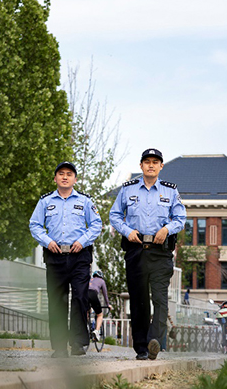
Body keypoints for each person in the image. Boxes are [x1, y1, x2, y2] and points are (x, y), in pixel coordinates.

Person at [110, 148, 186, 360]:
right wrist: (127, 231)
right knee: (139, 301)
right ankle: (141, 348)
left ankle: (154, 340)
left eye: (155, 162)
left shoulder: (171, 191)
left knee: (160, 299)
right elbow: (115, 215)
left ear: (161, 166)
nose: (151, 165)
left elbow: (180, 218)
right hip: (136, 251)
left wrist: (166, 229)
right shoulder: (128, 190)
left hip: (160, 253)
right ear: (141, 166)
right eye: (147, 162)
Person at [29, 161, 102, 358]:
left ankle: (78, 343)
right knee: (57, 301)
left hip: (79, 256)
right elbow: (35, 225)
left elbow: (96, 225)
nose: (65, 177)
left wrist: (82, 240)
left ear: (75, 179)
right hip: (55, 257)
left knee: (79, 298)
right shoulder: (45, 202)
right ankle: (59, 347)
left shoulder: (85, 201)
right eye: (61, 173)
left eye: (69, 174)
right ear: (55, 178)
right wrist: (47, 241)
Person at [88, 269, 111, 342]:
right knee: (99, 315)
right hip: (93, 294)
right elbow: (105, 294)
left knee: (86, 312)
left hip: (84, 294)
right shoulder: (101, 281)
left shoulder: (89, 279)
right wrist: (108, 304)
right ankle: (96, 331)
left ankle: (85, 327)